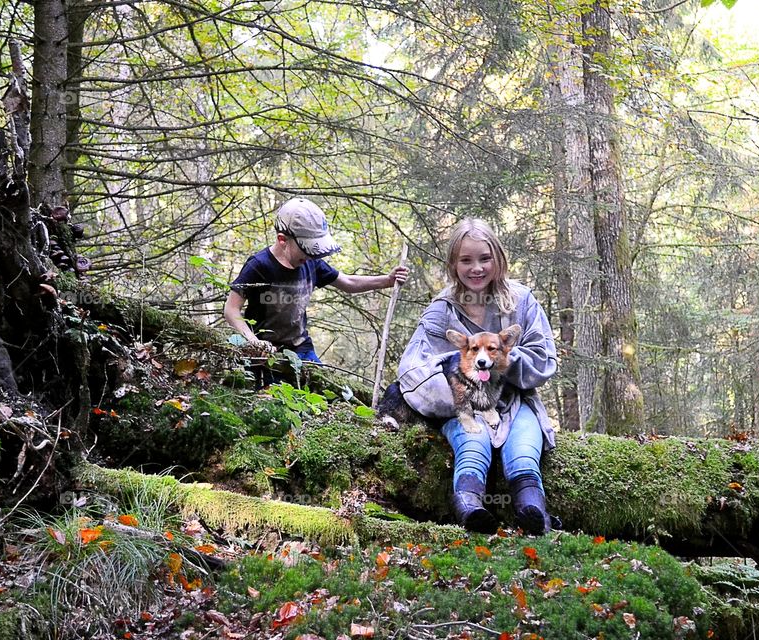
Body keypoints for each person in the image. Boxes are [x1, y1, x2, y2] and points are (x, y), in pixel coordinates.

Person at [394, 218, 558, 534]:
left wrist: (503, 359)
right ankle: (470, 510)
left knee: (524, 449)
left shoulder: (521, 300)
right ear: (453, 264)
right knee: (473, 441)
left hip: (515, 402)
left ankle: (534, 513)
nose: (476, 268)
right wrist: (451, 395)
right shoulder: (442, 309)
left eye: (484, 258)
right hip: (460, 402)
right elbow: (413, 367)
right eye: (466, 260)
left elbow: (544, 358)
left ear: (498, 258)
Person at [224, 197, 409, 366]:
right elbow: (231, 309)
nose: (309, 255)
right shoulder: (259, 265)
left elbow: (348, 282)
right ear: (282, 240)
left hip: (301, 348)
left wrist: (387, 280)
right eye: (305, 250)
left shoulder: (311, 263)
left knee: (323, 395)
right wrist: (252, 341)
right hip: (265, 352)